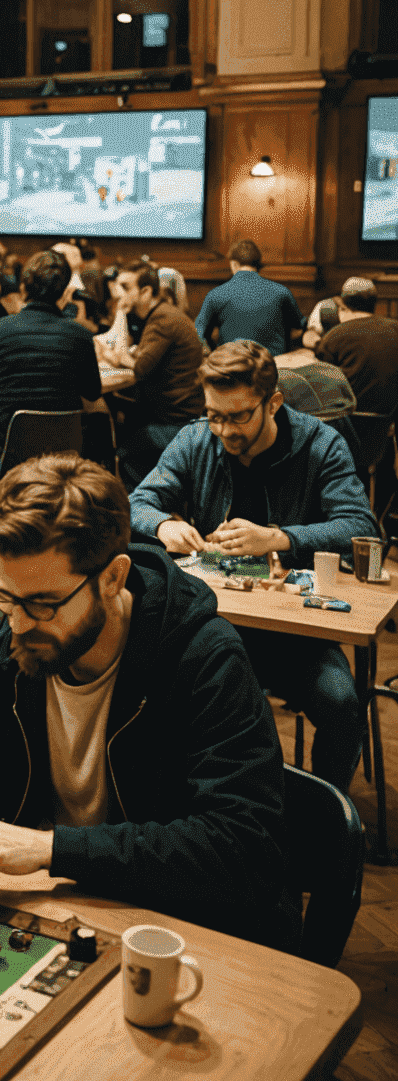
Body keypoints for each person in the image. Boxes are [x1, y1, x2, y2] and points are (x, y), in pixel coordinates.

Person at [0, 454, 298, 952]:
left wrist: (50, 849)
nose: (15, 623)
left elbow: (240, 847)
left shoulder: (204, 656)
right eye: (2, 593)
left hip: (176, 932)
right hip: (55, 910)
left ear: (113, 578)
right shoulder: (3, 630)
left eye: (42, 604)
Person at [130, 341, 376, 789]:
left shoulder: (320, 444)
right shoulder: (197, 437)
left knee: (341, 704)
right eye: (214, 414)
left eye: (238, 416)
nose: (223, 430)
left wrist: (280, 537)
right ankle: (190, 808)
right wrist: (164, 524)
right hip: (214, 625)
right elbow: (137, 503)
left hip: (295, 635)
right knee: (143, 685)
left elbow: (361, 527)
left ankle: (325, 826)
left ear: (273, 403)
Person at [0, 250, 101, 526]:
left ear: (23, 288)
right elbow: (93, 392)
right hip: (65, 455)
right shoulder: (81, 336)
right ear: (63, 295)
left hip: (9, 455)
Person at [100, 261, 205, 488]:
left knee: (116, 445)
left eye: (126, 287)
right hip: (181, 412)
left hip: (176, 421)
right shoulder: (164, 314)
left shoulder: (162, 320)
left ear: (146, 292)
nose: (119, 293)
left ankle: (136, 510)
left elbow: (140, 369)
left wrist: (117, 357)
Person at [195, 239, 303, 355]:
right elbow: (300, 327)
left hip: (232, 365)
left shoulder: (215, 294)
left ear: (234, 264)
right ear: (258, 264)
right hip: (273, 366)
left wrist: (214, 352)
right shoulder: (282, 292)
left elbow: (199, 333)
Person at [314, 276, 398, 416]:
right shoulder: (395, 328)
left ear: (343, 304)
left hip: (350, 423)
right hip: (390, 422)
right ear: (374, 302)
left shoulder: (333, 336)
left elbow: (323, 388)